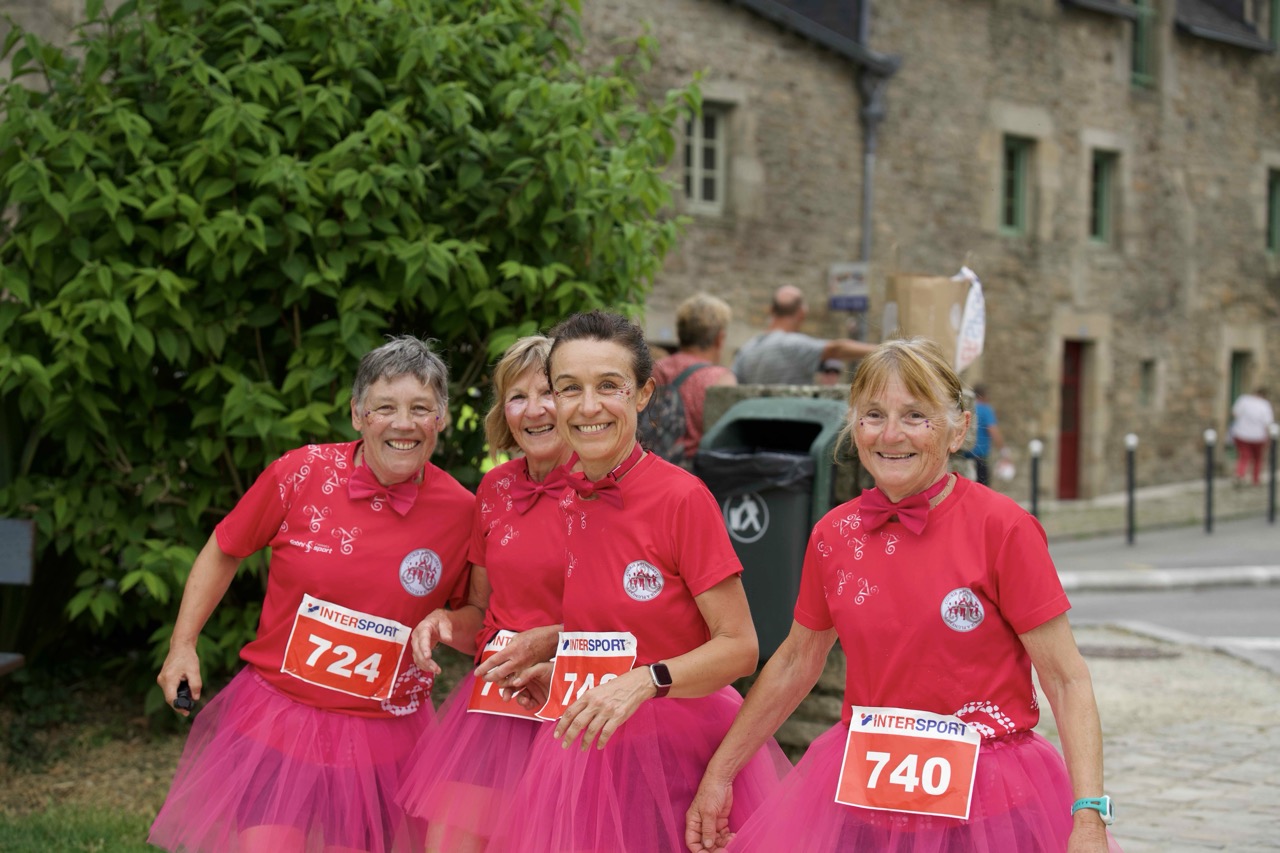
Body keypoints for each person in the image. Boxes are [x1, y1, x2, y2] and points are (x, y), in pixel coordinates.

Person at [687, 338, 1121, 853]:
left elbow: (1066, 679)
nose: (891, 434)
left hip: (988, 804)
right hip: (865, 795)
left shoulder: (1004, 529)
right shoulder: (834, 534)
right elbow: (796, 661)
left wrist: (1089, 815)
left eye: (915, 415)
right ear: (854, 427)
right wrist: (721, 773)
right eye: (874, 415)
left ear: (958, 429)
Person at [150, 336, 476, 853]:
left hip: (386, 735)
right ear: (357, 414)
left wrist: (445, 624)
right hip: (278, 718)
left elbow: (478, 619)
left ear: (442, 419)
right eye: (385, 407)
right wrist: (182, 644)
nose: (403, 423)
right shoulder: (301, 472)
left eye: (421, 408)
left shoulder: (463, 512)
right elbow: (225, 547)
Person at [488, 310, 788, 853]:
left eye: (609, 385)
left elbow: (740, 647)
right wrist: (562, 659)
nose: (588, 406)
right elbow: (623, 626)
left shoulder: (681, 498)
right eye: (569, 388)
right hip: (585, 750)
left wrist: (644, 681)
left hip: (673, 758)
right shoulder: (571, 497)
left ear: (643, 394)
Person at [396, 336, 572, 852]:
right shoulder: (494, 488)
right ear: (503, 413)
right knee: (449, 840)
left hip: (578, 704)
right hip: (499, 707)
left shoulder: (605, 489)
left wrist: (552, 641)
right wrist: (443, 622)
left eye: (549, 393)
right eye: (518, 396)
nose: (534, 410)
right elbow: (479, 609)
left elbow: (641, 622)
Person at [651, 293, 737, 464]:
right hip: (697, 471)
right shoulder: (721, 378)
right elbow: (728, 440)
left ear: (679, 333)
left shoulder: (655, 369)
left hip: (655, 464)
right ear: (719, 339)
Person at [733, 285, 876, 385]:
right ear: (802, 313)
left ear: (771, 310)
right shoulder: (793, 345)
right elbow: (837, 349)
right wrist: (884, 349)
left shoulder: (747, 349)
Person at [962, 383, 1008, 486]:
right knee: (982, 488)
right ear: (984, 396)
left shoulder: (968, 408)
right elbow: (993, 430)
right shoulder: (985, 409)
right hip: (979, 458)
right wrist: (1003, 451)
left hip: (964, 456)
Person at [1230, 386, 1275, 486]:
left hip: (1241, 433)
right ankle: (1255, 479)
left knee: (1244, 456)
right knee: (1258, 458)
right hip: (1258, 436)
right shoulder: (1265, 405)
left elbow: (1234, 413)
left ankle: (1240, 474)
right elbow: (1268, 423)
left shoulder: (1244, 400)